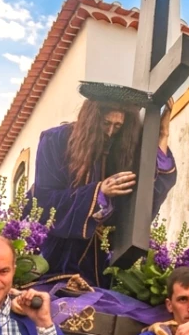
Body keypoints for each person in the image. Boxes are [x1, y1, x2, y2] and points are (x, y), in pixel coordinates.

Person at [32, 92, 177, 287]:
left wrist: (162, 135)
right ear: (92, 119)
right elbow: (44, 200)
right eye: (106, 123)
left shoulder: (126, 146)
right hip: (62, 256)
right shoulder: (56, 140)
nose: (110, 132)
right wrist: (98, 193)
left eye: (117, 126)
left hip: (105, 260)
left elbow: (151, 188)